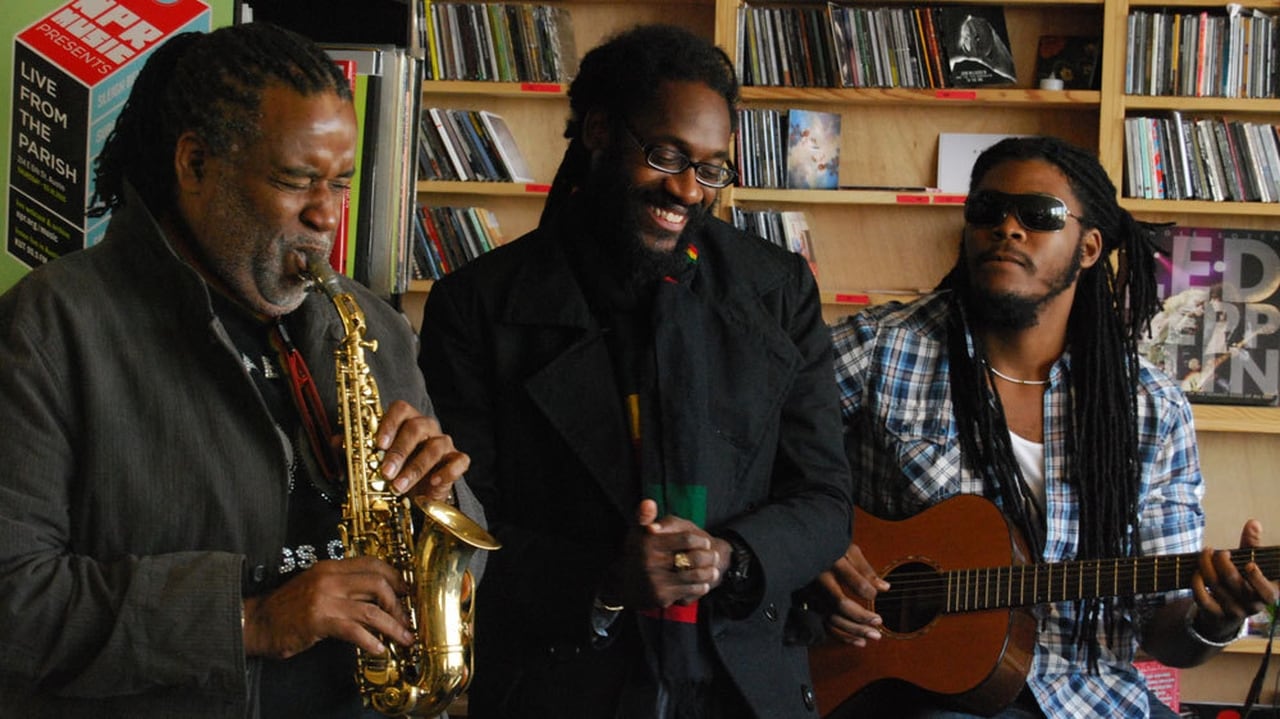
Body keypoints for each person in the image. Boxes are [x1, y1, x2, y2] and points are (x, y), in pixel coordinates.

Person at [0, 23, 483, 718]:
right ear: (195, 164)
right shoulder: (50, 327)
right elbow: (14, 598)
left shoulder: (373, 326)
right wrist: (251, 618)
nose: (325, 215)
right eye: (295, 180)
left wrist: (441, 499)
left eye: (340, 182)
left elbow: (463, 564)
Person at [417, 23, 852, 719]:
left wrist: (731, 557)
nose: (686, 189)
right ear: (596, 131)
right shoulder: (478, 304)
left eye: (711, 168)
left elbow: (826, 498)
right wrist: (607, 580)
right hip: (559, 681)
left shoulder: (777, 290)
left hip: (742, 680)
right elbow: (459, 526)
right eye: (666, 154)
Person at [819, 135, 1278, 718]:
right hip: (904, 688)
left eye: (1039, 216)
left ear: (1088, 248)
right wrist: (815, 546)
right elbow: (746, 445)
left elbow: (1163, 631)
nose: (1008, 228)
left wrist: (1213, 620)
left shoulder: (1149, 408)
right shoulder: (880, 348)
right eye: (988, 210)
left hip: (1093, 699)